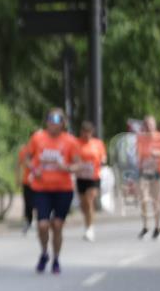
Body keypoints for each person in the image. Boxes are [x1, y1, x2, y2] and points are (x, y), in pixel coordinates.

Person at [23, 108, 81, 274]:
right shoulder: (38, 138)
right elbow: (26, 158)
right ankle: (44, 253)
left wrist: (67, 167)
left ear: (63, 123)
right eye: (50, 121)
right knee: (42, 225)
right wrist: (34, 170)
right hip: (41, 189)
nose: (52, 124)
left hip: (63, 190)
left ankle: (56, 258)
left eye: (56, 121)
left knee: (57, 225)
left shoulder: (70, 141)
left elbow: (78, 164)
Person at [136, 115, 160, 239]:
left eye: (151, 124)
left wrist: (158, 153)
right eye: (147, 124)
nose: (149, 127)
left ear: (155, 125)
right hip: (144, 172)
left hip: (157, 173)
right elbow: (138, 155)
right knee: (143, 199)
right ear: (144, 126)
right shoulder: (140, 138)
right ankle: (145, 227)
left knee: (156, 201)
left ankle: (157, 228)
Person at [76, 121, 107, 241]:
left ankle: (90, 228)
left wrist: (103, 160)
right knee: (83, 205)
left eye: (89, 133)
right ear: (81, 132)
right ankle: (87, 224)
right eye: (84, 132)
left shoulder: (97, 143)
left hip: (94, 176)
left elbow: (103, 156)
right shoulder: (76, 143)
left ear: (92, 133)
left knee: (89, 201)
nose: (86, 135)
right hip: (81, 177)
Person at [18, 141, 36, 234]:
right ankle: (29, 221)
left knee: (38, 202)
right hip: (27, 181)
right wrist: (18, 178)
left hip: (40, 182)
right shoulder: (24, 150)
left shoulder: (43, 148)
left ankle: (40, 220)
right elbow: (19, 165)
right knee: (28, 202)